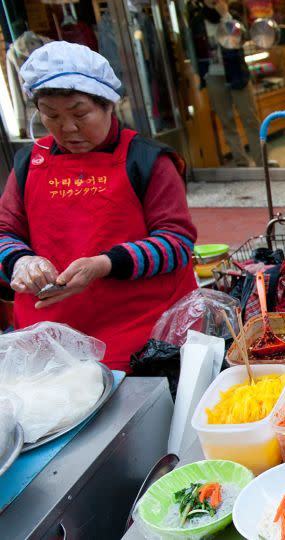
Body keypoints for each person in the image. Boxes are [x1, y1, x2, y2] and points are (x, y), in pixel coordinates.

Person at [0, 42, 198, 371]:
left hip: (140, 339)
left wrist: (105, 264)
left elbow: (176, 243)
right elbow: (4, 233)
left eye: (80, 114)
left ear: (109, 105)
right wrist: (20, 262)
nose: (68, 128)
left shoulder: (146, 160)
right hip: (50, 343)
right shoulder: (28, 164)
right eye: (51, 115)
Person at [190, 0, 264, 167]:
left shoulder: (232, 15)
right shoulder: (197, 21)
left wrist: (226, 16)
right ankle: (241, 161)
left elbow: (244, 38)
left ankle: (261, 159)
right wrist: (200, 74)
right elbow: (194, 49)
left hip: (237, 73)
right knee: (226, 121)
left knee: (249, 116)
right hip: (213, 76)